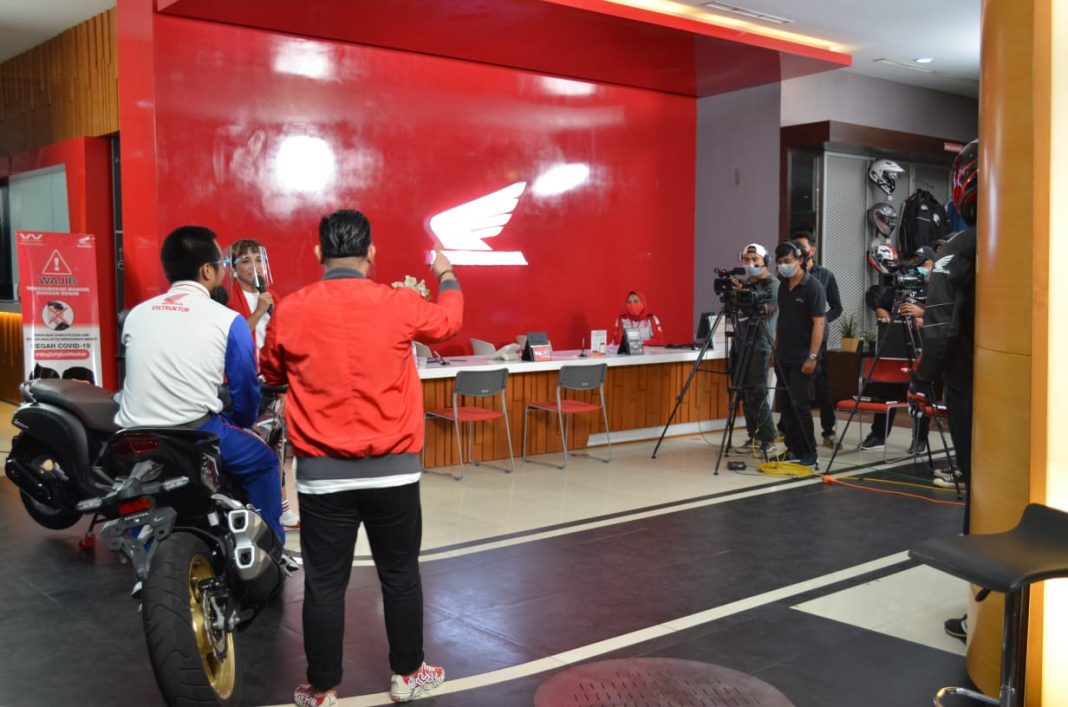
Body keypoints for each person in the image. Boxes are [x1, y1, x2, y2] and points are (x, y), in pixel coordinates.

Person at [261, 209, 461, 706]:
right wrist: (447, 274)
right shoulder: (399, 303)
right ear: (371, 253)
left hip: (322, 478)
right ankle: (408, 674)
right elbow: (449, 321)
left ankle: (322, 689)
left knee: (324, 584)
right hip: (394, 474)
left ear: (319, 253)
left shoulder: (292, 309)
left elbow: (271, 371)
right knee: (400, 574)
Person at [115, 225, 283, 540]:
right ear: (207, 270)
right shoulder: (227, 319)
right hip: (194, 431)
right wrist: (242, 422)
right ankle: (270, 542)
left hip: (132, 431)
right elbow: (245, 390)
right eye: (223, 263)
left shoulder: (137, 314)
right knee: (264, 461)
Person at [910, 139, 978, 643]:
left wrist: (922, 377)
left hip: (972, 385)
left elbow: (937, 327)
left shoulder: (960, 247)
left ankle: (984, 613)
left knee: (984, 496)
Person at [227, 238, 300, 531]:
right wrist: (257, 313)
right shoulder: (227, 299)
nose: (254, 267)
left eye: (258, 260)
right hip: (244, 384)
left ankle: (281, 507)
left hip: (273, 384)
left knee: (275, 447)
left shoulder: (272, 297)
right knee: (254, 448)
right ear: (233, 269)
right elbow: (231, 340)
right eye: (246, 261)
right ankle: (258, 508)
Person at [862, 246, 936, 454]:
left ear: (932, 263)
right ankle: (878, 435)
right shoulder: (901, 283)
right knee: (886, 391)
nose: (918, 266)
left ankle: (919, 439)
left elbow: (943, 314)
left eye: (922, 262)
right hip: (894, 347)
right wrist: (884, 314)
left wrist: (922, 313)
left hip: (921, 348)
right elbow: (881, 304)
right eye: (915, 261)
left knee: (920, 394)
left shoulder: (936, 287)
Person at [773, 240, 826, 467]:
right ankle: (792, 449)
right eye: (780, 262)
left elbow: (819, 324)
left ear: (800, 260)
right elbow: (781, 320)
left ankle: (809, 452)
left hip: (804, 356)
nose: (783, 265)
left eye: (788, 261)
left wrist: (812, 356)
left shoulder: (813, 287)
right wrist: (775, 349)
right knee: (786, 405)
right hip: (783, 355)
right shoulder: (783, 286)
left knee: (799, 403)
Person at [792, 233, 842, 448]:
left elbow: (837, 307)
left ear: (811, 250)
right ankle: (787, 428)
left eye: (801, 247)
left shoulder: (826, 275)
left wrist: (822, 320)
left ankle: (828, 431)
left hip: (817, 338)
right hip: (794, 337)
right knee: (792, 384)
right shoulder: (791, 275)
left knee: (822, 385)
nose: (798, 250)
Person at [729, 244, 778, 456]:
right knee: (743, 391)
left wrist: (745, 293)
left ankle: (768, 437)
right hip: (741, 342)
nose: (750, 263)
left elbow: (768, 310)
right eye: (746, 259)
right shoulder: (747, 283)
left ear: (765, 260)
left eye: (754, 259)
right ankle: (753, 436)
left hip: (759, 343)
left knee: (758, 391)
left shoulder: (773, 284)